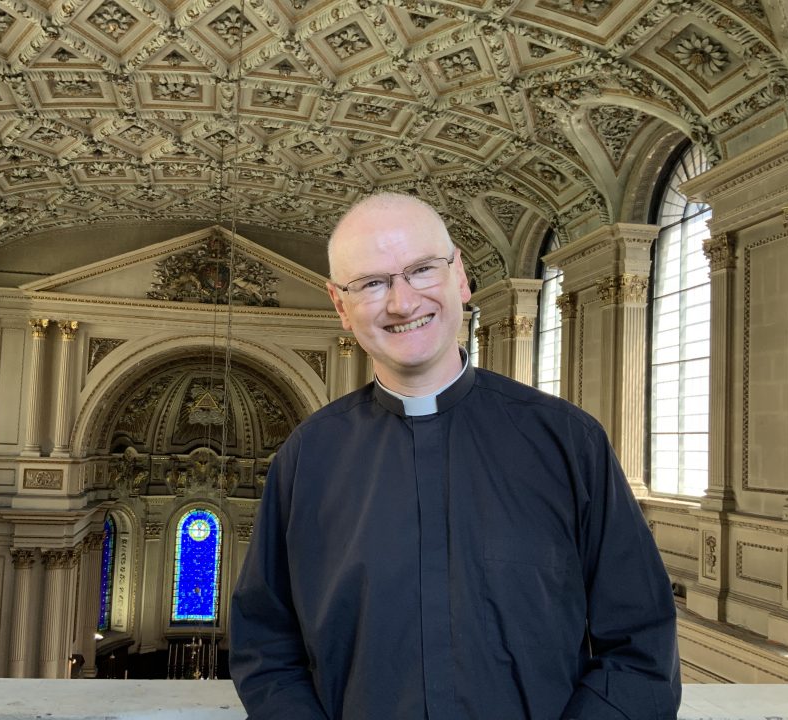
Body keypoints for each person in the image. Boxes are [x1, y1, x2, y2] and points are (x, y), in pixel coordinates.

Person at [229, 193, 681, 719]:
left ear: (460, 278)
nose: (401, 302)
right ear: (340, 306)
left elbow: (640, 648)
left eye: (421, 270)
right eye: (372, 283)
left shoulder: (568, 442)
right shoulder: (307, 457)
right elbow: (265, 648)